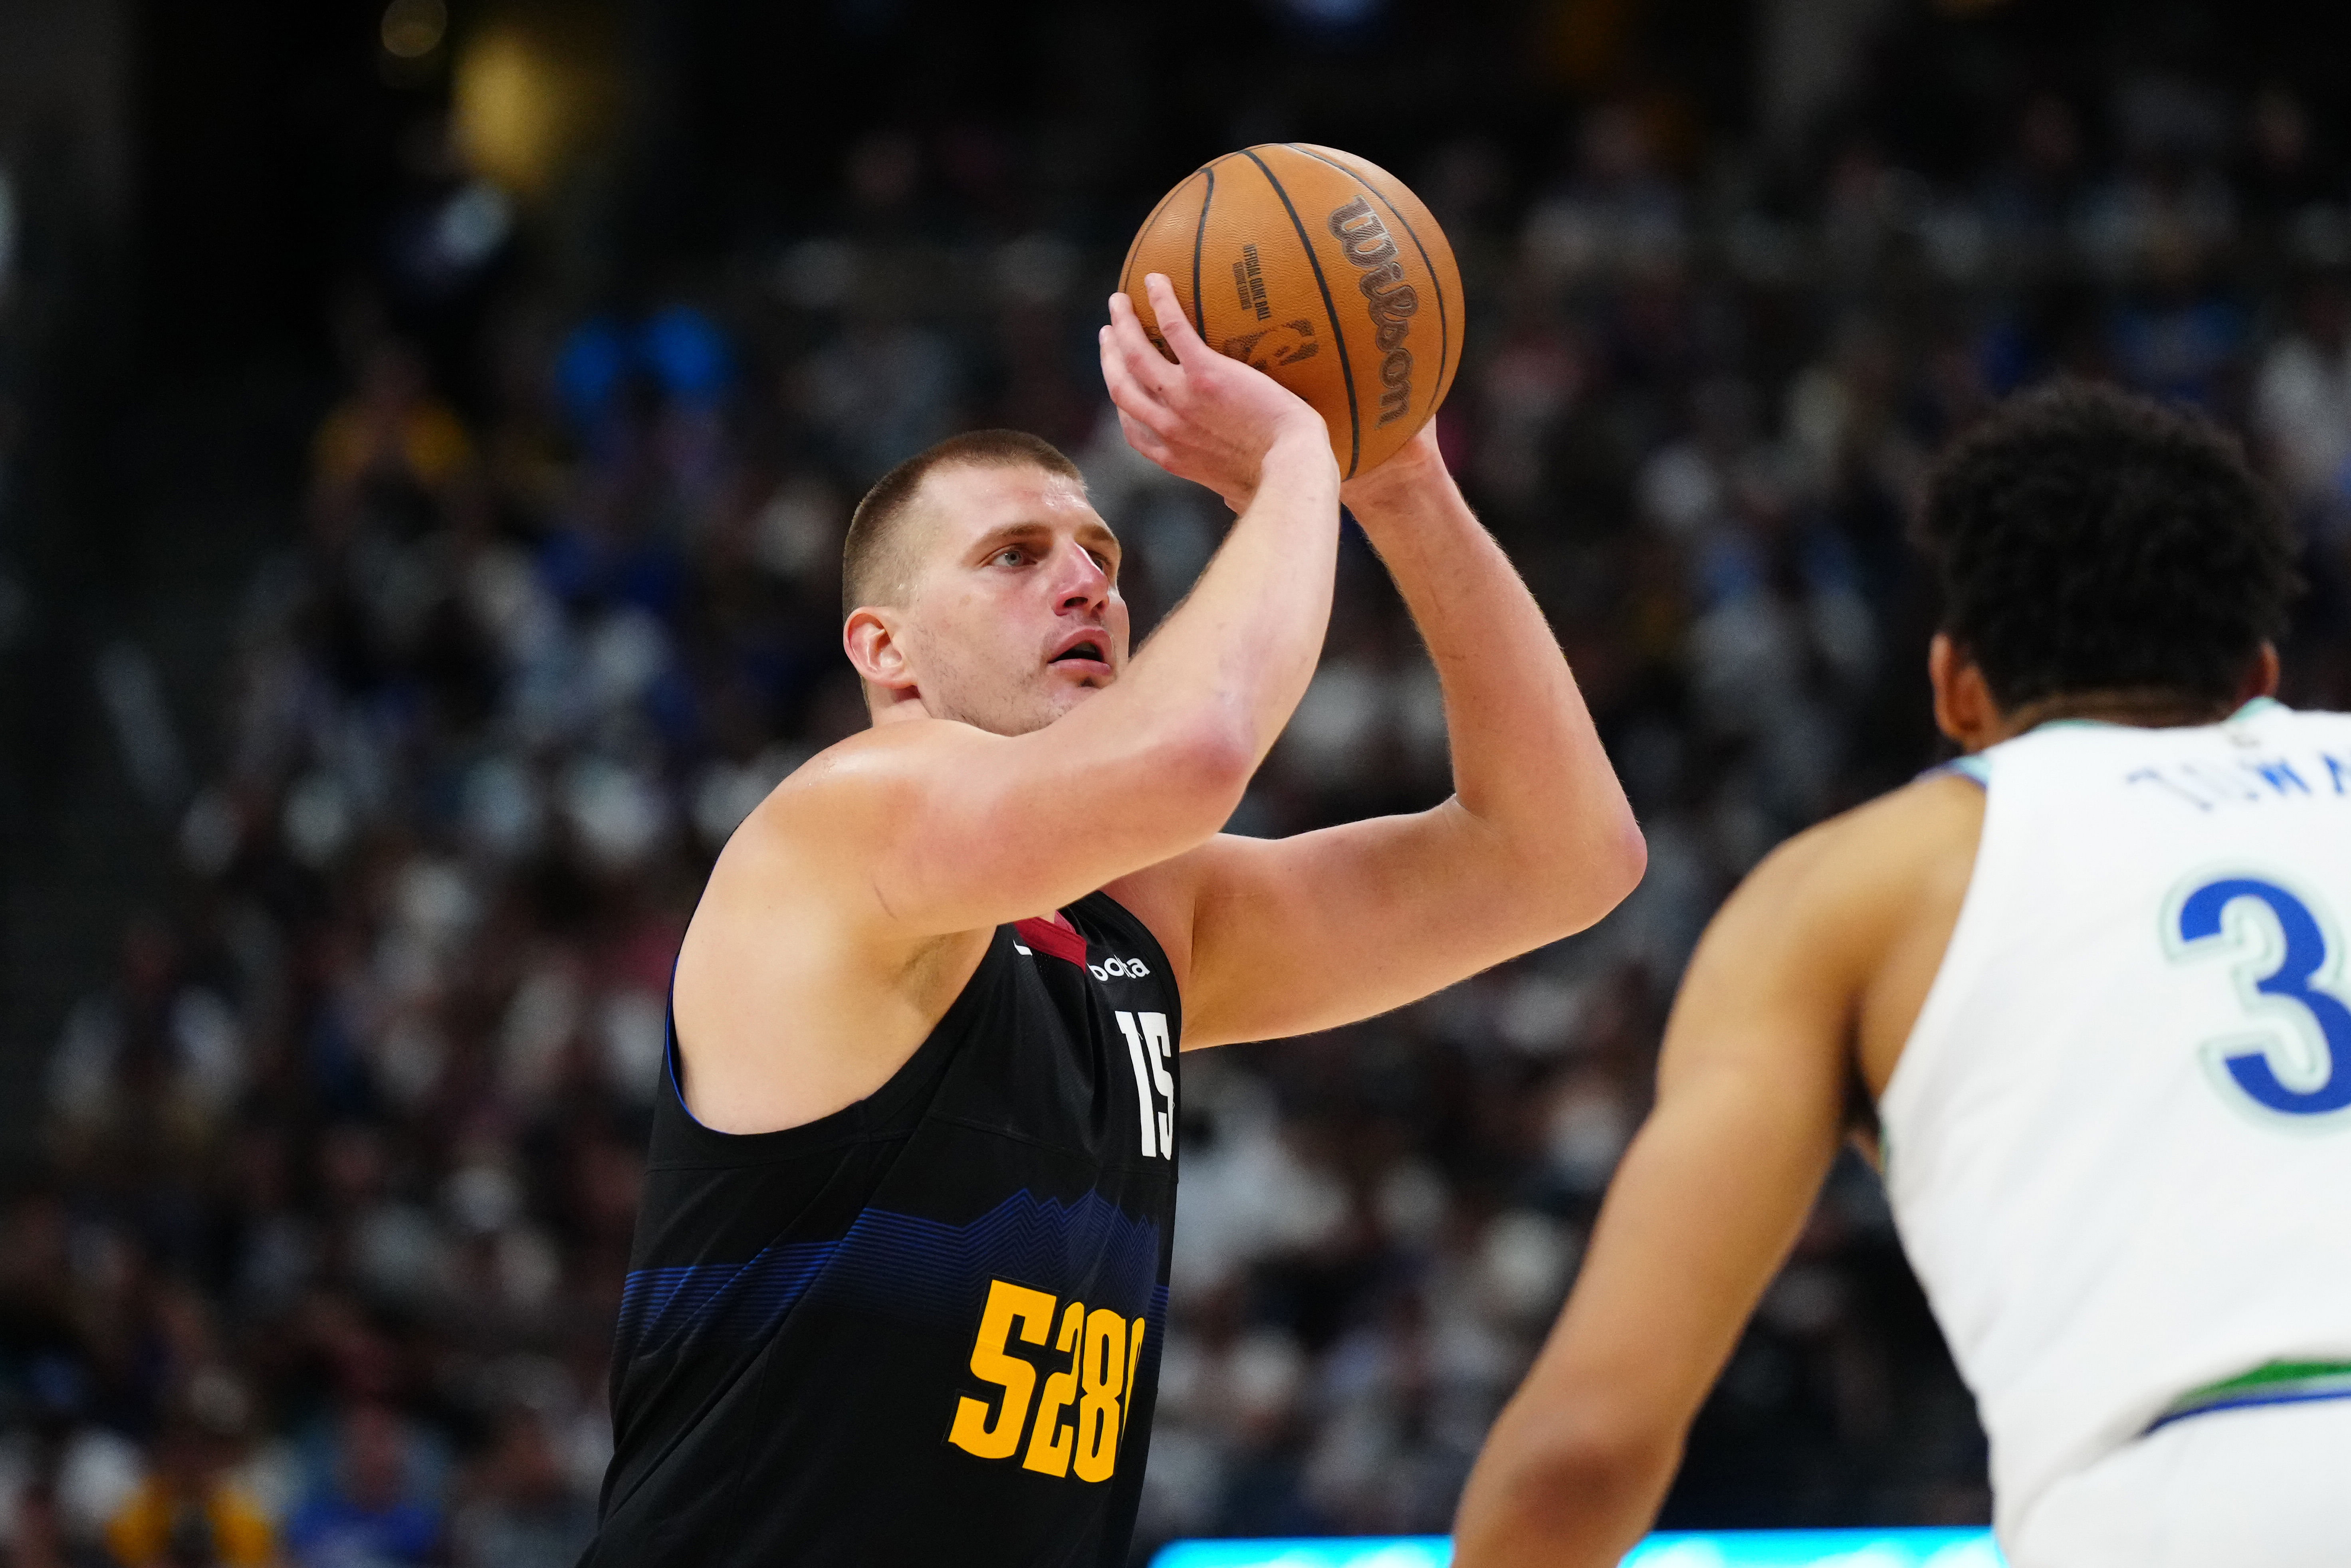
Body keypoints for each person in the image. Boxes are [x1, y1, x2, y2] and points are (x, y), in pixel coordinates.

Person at [579, 273, 1645, 1566]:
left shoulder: (1146, 924)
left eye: (1102, 558)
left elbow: (1562, 860)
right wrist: (1298, 456)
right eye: (1015, 558)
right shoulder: (836, 832)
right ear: (887, 652)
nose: (1085, 583)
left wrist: (1402, 485)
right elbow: (1201, 747)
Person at [1452, 382, 2351, 1567]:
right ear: (2261, 680)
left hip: (2185, 1505)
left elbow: (1588, 1448)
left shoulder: (1857, 889)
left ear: (1956, 689)